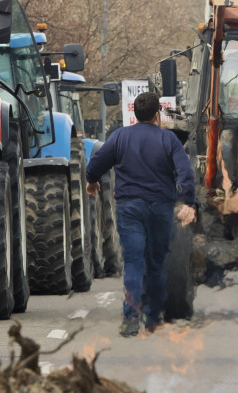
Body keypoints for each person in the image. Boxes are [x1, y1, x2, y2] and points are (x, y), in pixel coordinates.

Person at [85, 92, 196, 337]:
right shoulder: (169, 140)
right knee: (156, 265)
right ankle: (153, 318)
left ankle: (131, 319)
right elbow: (185, 173)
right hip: (160, 209)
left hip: (130, 209)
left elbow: (96, 164)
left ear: (135, 114)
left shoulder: (120, 137)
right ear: (158, 114)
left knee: (134, 263)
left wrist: (92, 182)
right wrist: (189, 202)